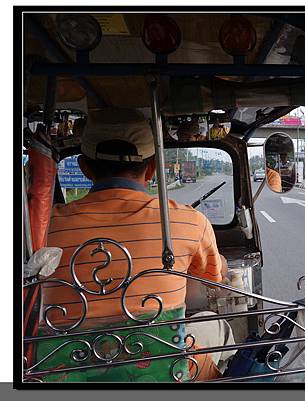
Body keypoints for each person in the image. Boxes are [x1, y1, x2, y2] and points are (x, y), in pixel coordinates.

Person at [38, 108, 227, 382]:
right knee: (214, 324)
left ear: (84, 167)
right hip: (166, 374)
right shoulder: (189, 221)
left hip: (65, 374)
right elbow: (212, 279)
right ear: (151, 168)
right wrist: (217, 262)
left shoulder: (43, 227)